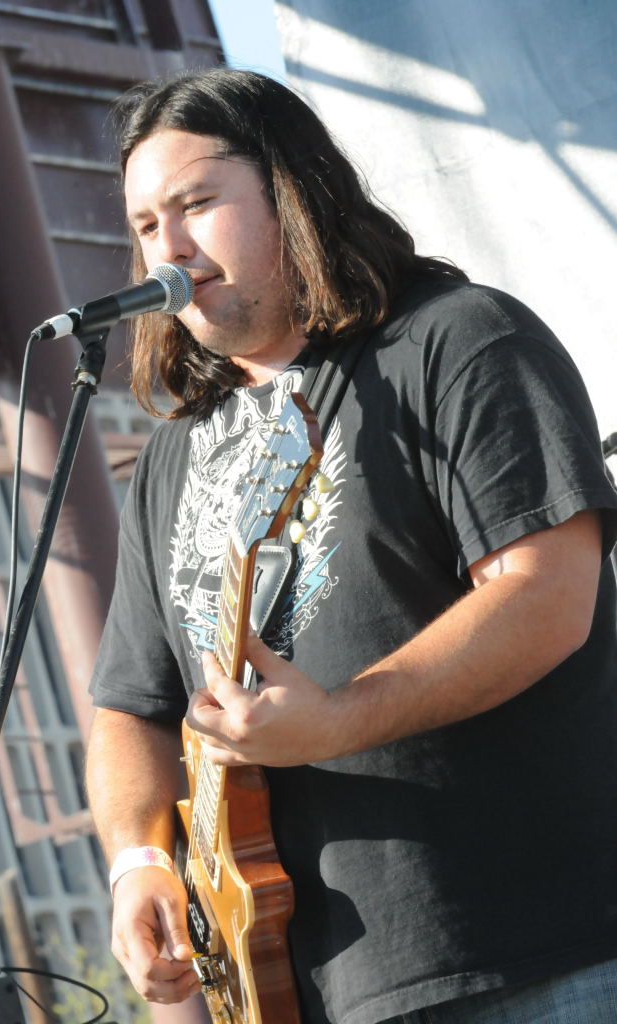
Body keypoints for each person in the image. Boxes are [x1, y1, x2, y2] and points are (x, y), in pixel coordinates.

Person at [85, 68, 617, 1024]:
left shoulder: (458, 340)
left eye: (196, 204)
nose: (170, 248)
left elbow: (548, 594)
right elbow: (132, 707)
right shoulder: (173, 455)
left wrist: (337, 718)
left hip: (541, 952)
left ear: (292, 191)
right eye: (146, 225)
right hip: (314, 992)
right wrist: (140, 861)